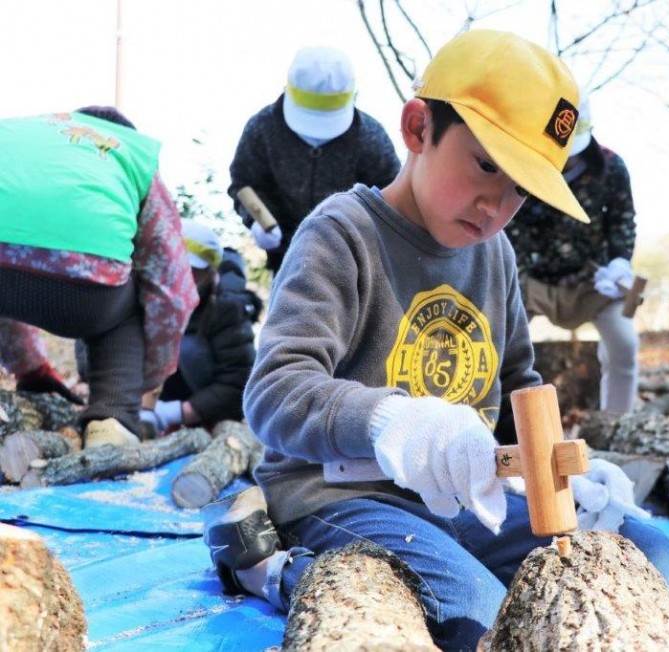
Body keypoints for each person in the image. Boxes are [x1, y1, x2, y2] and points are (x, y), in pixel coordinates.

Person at [202, 30, 669, 649]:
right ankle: (272, 570)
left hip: (465, 499)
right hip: (344, 491)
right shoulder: (341, 233)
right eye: (487, 166)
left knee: (647, 558)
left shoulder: (496, 254)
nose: (496, 207)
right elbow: (274, 391)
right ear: (418, 127)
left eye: (521, 190)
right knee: (475, 617)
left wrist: (557, 475)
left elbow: (517, 385)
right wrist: (390, 420)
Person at [0, 106, 197, 447]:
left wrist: (31, 371)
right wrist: (146, 378)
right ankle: (112, 422)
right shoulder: (132, 153)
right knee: (133, 299)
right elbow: (171, 290)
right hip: (84, 290)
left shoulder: (23, 131)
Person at [504, 89, 641, 414]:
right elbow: (510, 230)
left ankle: (615, 423)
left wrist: (620, 262)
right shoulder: (521, 168)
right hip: (531, 282)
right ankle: (499, 420)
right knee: (500, 344)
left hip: (592, 281)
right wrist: (514, 277)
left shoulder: (611, 167)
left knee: (625, 345)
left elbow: (623, 219)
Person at [228, 46, 402, 273]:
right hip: (287, 258)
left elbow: (394, 196)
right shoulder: (262, 128)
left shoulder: (369, 136)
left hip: (354, 262)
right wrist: (258, 221)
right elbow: (244, 184)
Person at [139, 221, 257, 435]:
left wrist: (177, 412)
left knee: (187, 348)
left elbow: (239, 381)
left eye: (191, 270)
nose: (181, 276)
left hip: (213, 412)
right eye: (176, 266)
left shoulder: (228, 309)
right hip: (158, 406)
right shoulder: (150, 297)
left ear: (210, 273)